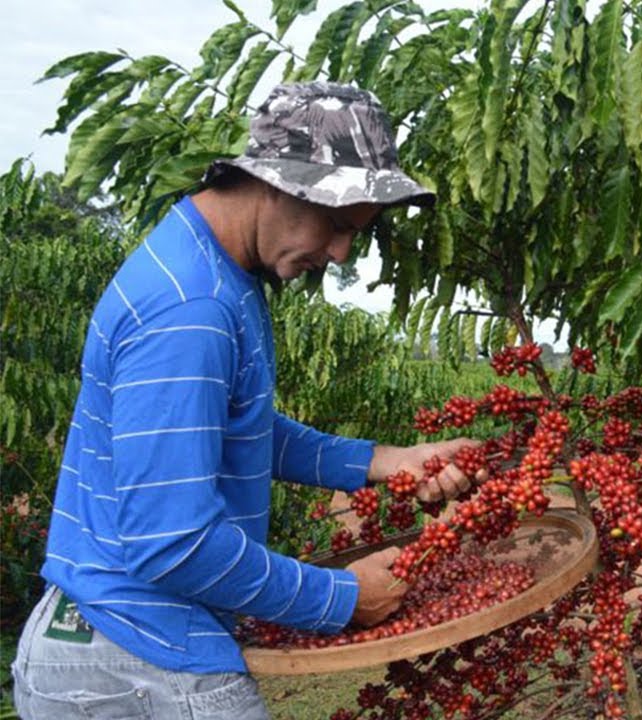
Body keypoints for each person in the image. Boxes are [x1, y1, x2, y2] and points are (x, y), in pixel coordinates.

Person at [11, 81, 477, 719]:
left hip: (103, 626)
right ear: (278, 183)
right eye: (336, 225)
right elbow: (173, 543)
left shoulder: (210, 268)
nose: (340, 253)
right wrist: (340, 597)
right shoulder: (192, 310)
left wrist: (384, 460)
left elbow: (235, 425)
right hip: (139, 653)